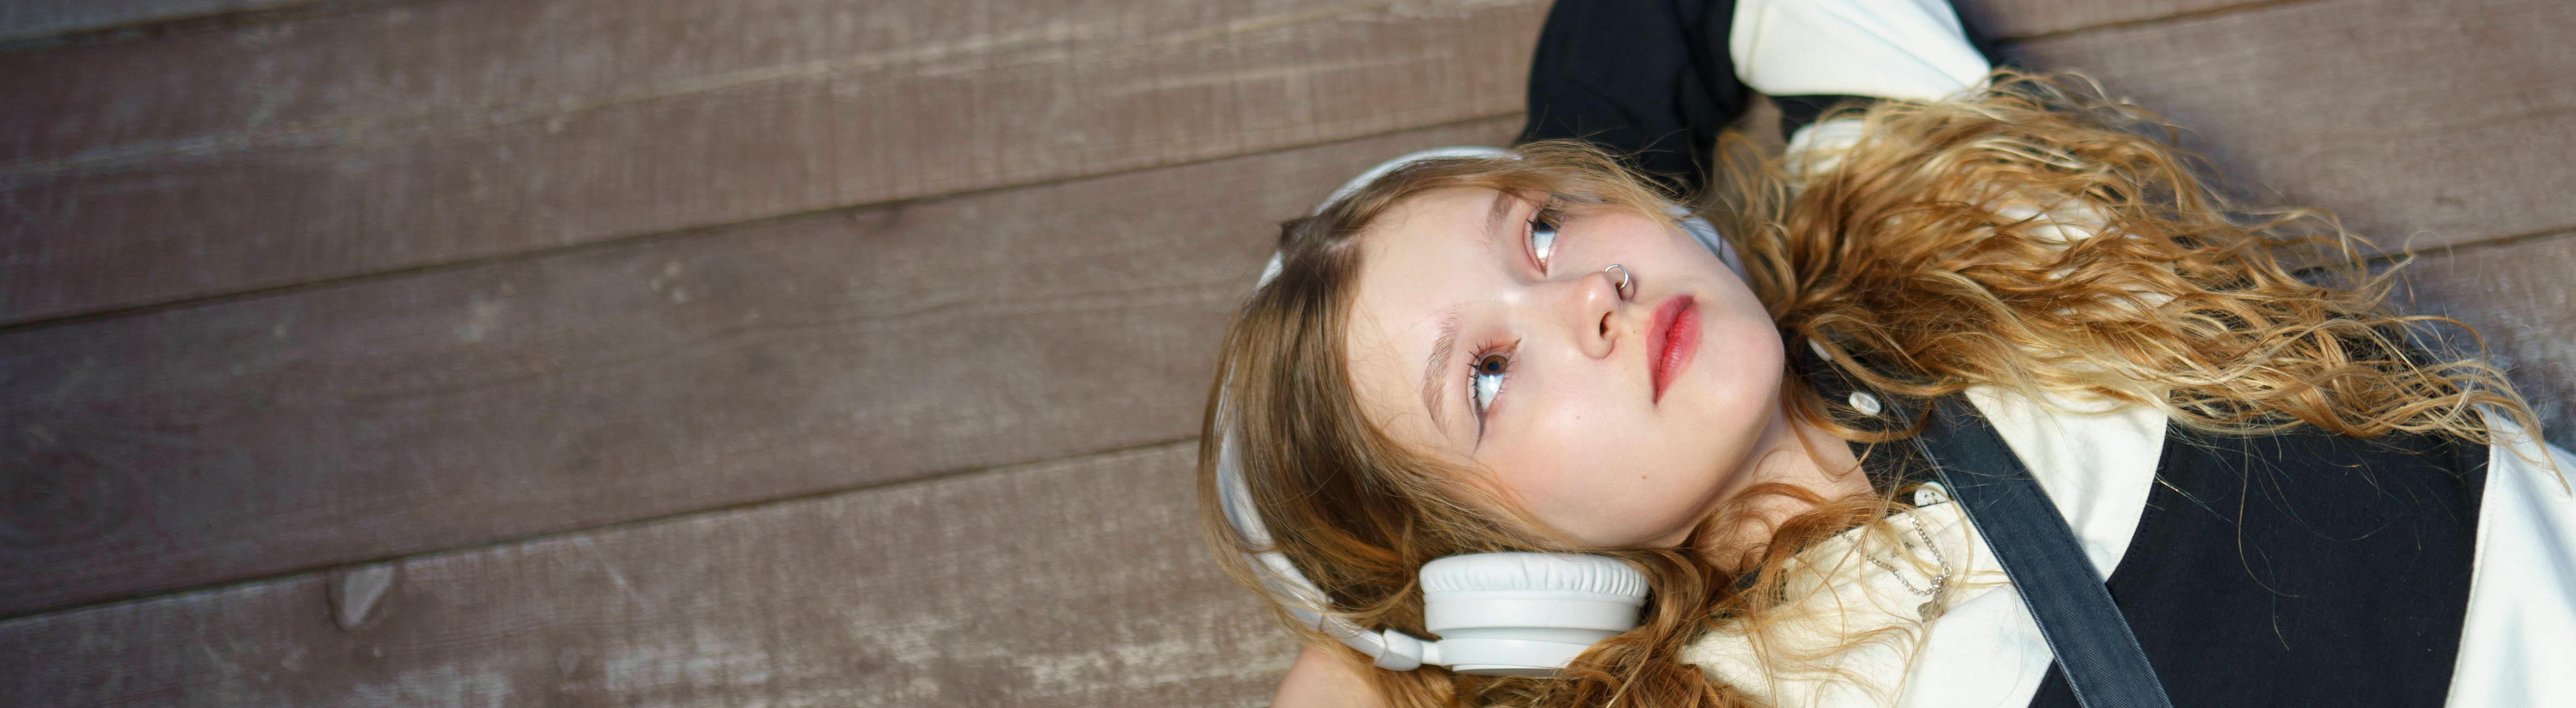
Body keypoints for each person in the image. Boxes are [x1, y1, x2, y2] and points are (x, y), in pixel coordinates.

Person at [1197, 1, 2576, 706]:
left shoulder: (1950, 208)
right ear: (1498, 579)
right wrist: (1392, 651)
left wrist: (1577, 159)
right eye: (1486, 376)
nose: (1589, 297)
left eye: (1549, 230)